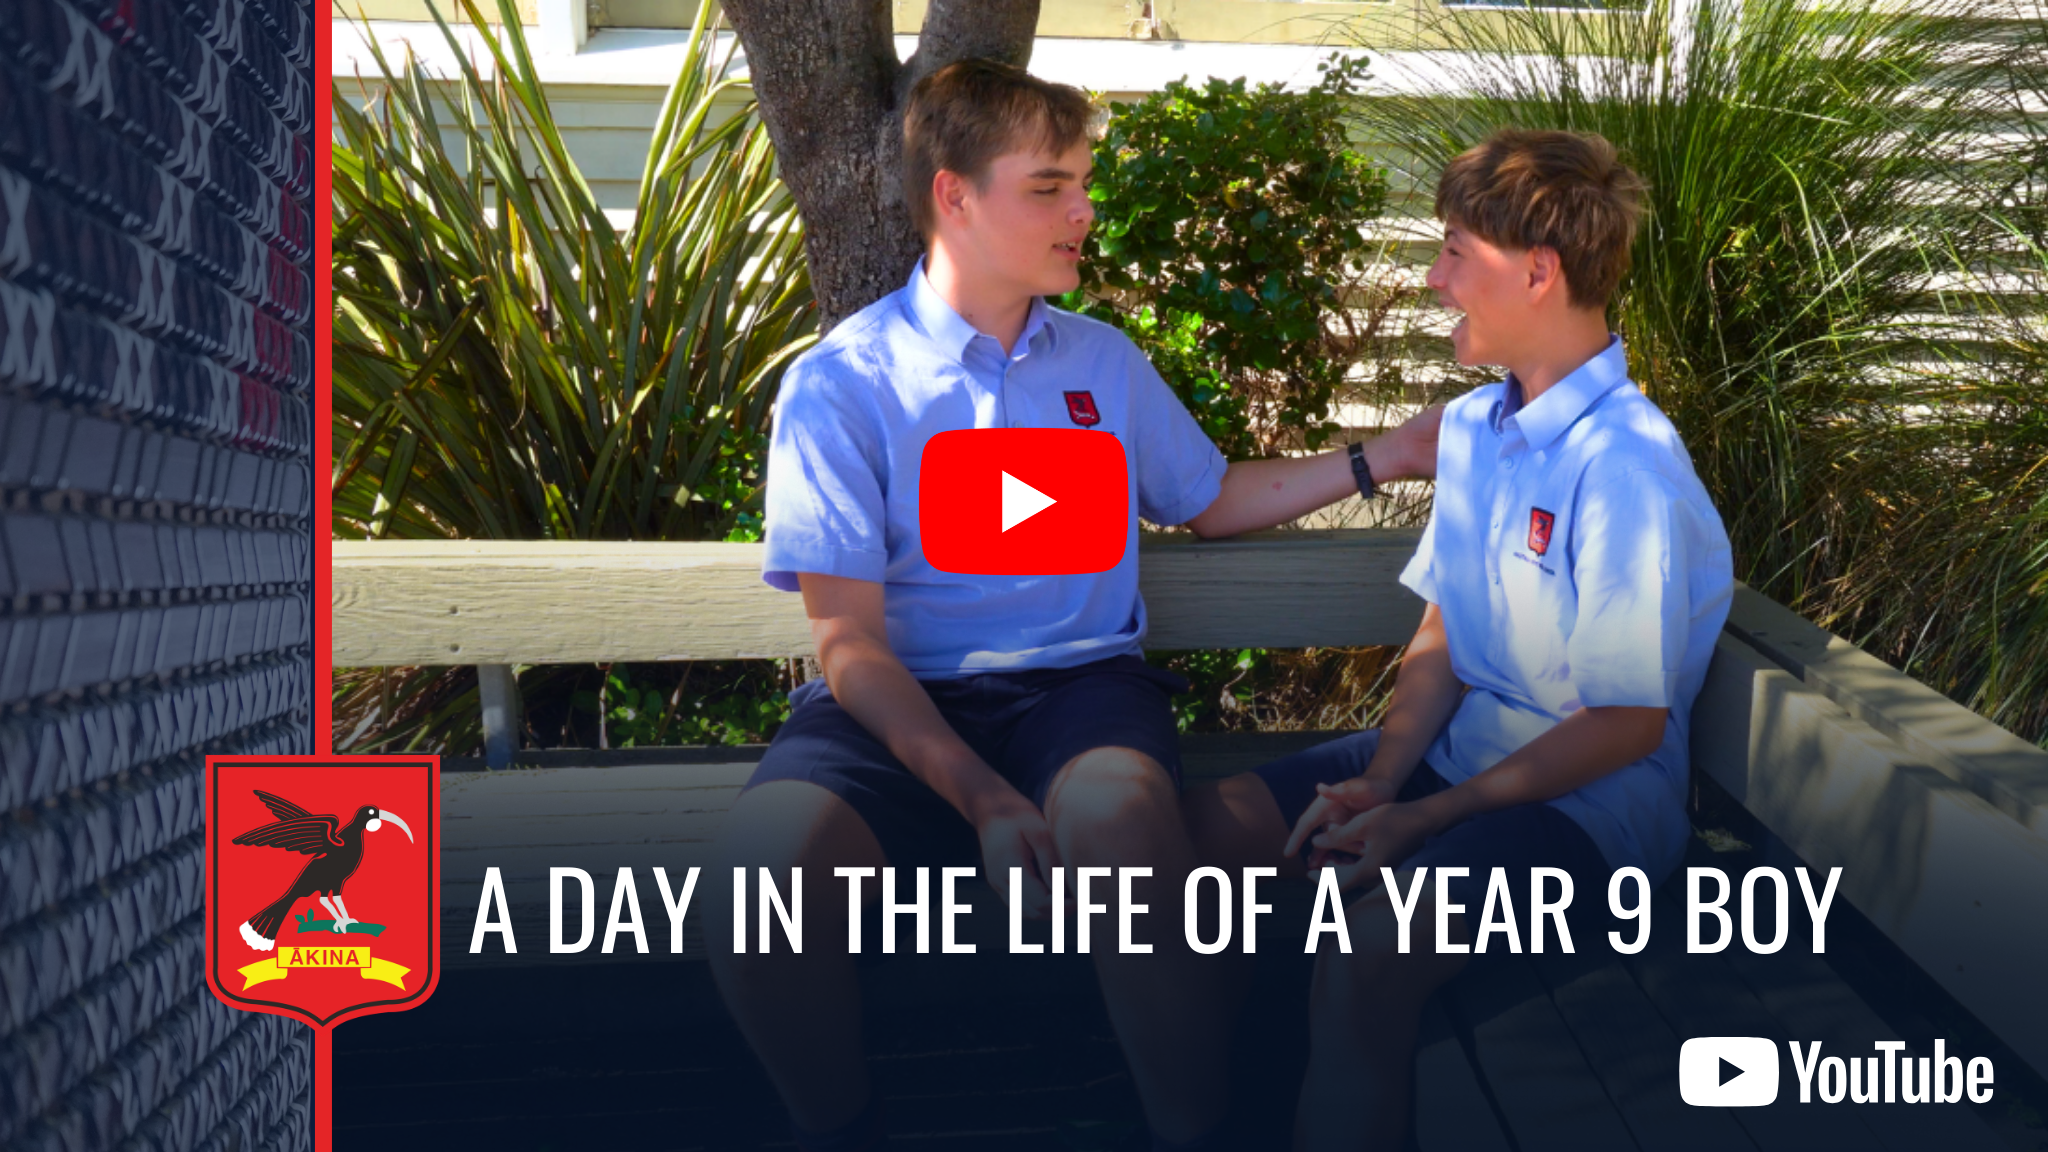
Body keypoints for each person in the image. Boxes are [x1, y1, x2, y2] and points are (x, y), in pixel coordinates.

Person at [705, 58, 1443, 1152]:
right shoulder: (842, 383)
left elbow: (1210, 499)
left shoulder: (1101, 362)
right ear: (955, 196)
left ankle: (1196, 1133)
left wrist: (1389, 454)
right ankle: (840, 1127)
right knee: (762, 876)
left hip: (1080, 693)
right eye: (1049, 187)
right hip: (896, 708)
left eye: (1082, 184)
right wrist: (983, 799)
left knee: (1124, 825)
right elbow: (848, 643)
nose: (1083, 210)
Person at [1184, 127, 1735, 1150]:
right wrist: (1383, 780)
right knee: (1199, 843)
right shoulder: (1477, 428)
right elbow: (1442, 626)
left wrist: (1428, 817)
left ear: (1538, 272)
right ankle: (1220, 1121)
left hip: (1587, 809)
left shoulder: (1626, 465)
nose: (1434, 280)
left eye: (1452, 252)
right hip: (1453, 758)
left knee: (1365, 950)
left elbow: (1625, 724)